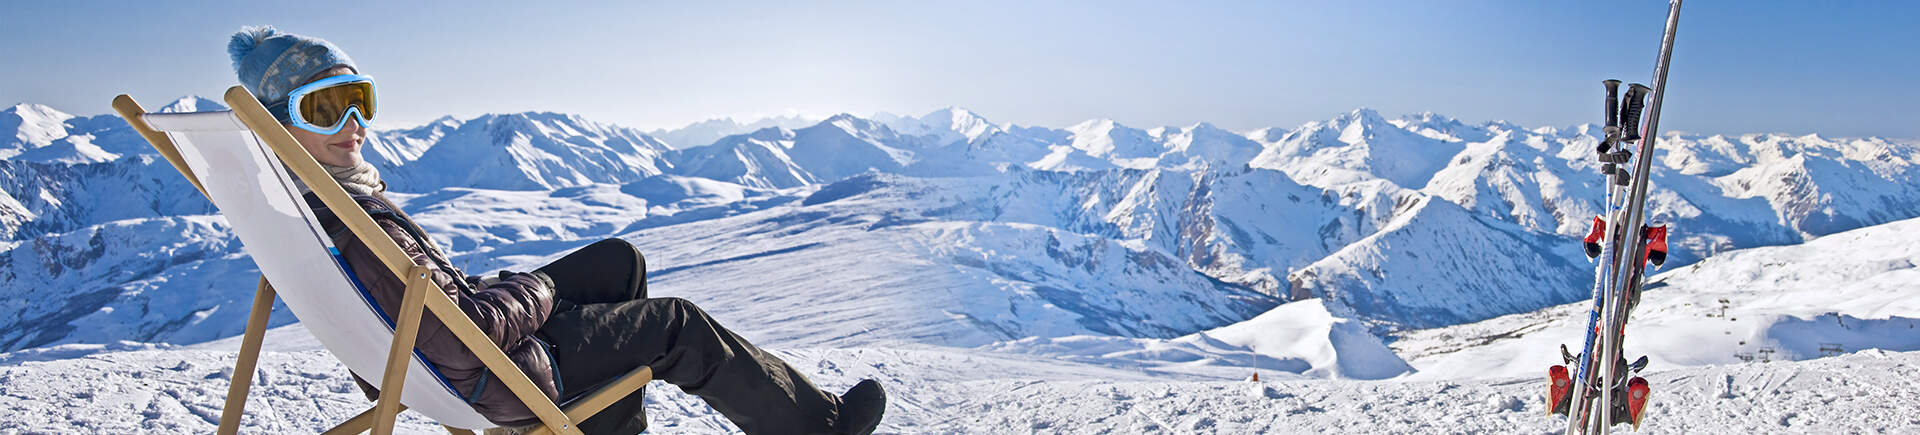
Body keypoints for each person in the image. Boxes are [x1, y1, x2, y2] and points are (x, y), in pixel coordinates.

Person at [225, 26, 886, 435]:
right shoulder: (356, 222)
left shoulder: (309, 206)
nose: (353, 125)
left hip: (450, 353)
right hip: (497, 374)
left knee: (618, 262)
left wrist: (510, 293)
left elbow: (431, 313)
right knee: (675, 324)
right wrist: (535, 288)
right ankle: (817, 426)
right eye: (324, 107)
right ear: (281, 125)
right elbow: (469, 336)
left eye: (358, 99)